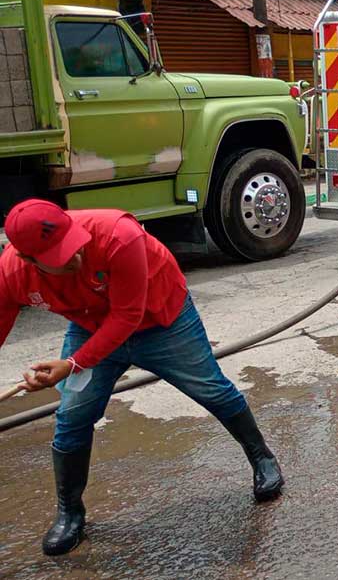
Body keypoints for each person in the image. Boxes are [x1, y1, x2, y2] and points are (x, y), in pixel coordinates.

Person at [2, 200, 283, 556]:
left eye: (72, 244)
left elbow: (127, 315)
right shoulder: (12, 273)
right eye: (59, 256)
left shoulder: (119, 236)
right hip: (91, 326)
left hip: (161, 319)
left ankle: (262, 457)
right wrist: (76, 362)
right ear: (28, 260)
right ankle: (69, 512)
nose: (74, 257)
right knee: (72, 415)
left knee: (210, 388)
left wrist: (72, 364)